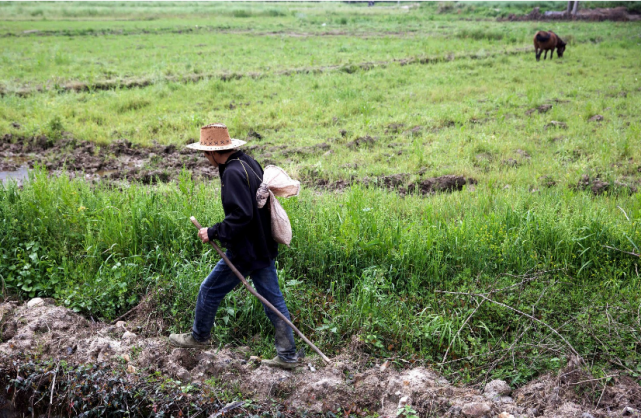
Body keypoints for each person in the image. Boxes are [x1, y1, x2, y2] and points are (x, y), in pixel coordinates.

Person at [168, 123, 299, 370]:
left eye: (205, 154)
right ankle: (288, 355)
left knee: (210, 290)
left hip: (246, 250)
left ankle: (199, 337)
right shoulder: (248, 162)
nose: (205, 158)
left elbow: (242, 215)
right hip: (261, 245)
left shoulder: (232, 172)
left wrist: (214, 231)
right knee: (273, 300)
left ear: (213, 153)